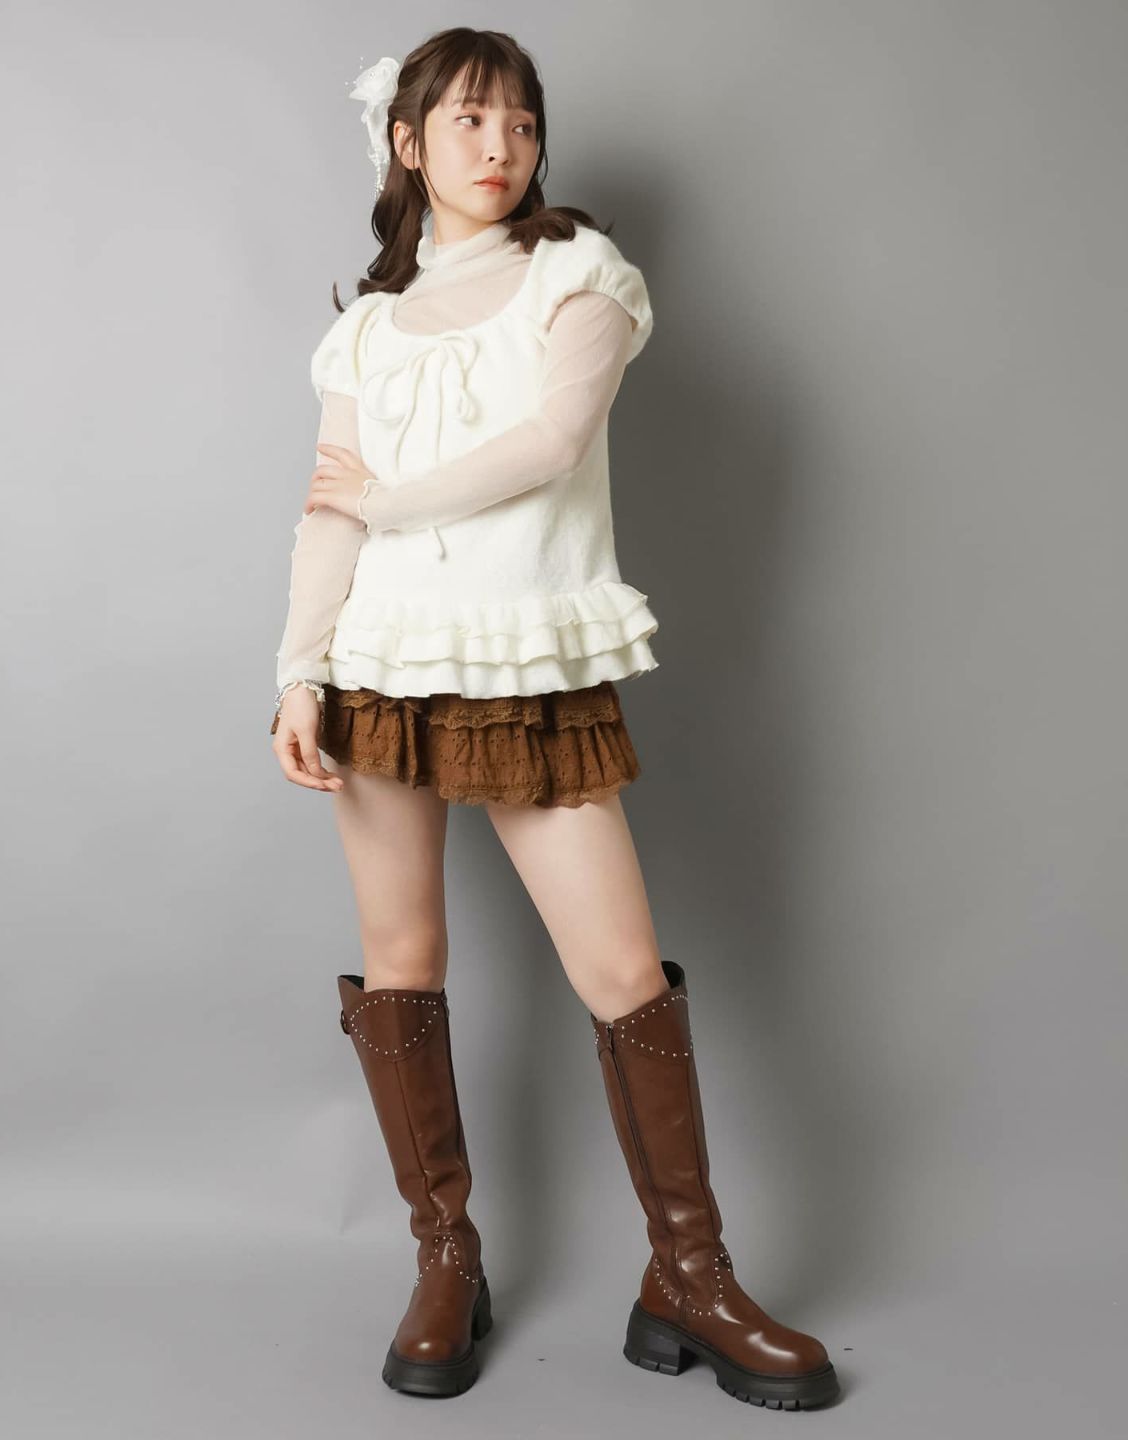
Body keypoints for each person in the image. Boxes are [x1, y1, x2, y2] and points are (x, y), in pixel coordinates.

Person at [270, 27, 841, 1409]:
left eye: (521, 122)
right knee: (401, 961)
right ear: (406, 142)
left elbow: (549, 444)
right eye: (469, 120)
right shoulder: (363, 328)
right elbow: (324, 514)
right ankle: (445, 1259)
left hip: (526, 661)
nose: (500, 145)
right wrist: (297, 669)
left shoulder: (580, 271)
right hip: (378, 662)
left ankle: (689, 1276)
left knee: (622, 969)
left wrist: (383, 499)